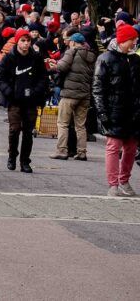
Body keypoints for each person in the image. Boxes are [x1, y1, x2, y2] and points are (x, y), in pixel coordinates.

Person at [93, 24, 140, 197]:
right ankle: (113, 183)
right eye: (132, 39)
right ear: (123, 40)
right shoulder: (105, 58)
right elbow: (98, 88)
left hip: (134, 112)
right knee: (113, 147)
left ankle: (124, 180)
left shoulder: (136, 60)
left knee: (131, 148)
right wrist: (102, 112)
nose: (135, 42)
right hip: (114, 110)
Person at [0, 28, 48, 173]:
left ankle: (25, 160)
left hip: (30, 100)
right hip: (14, 99)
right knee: (14, 129)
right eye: (23, 41)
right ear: (17, 41)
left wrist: (36, 91)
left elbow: (43, 78)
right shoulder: (9, 57)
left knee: (28, 131)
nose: (25, 44)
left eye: (28, 41)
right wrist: (8, 91)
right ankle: (12, 156)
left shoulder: (36, 58)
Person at [50, 32, 96, 161]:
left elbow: (62, 67)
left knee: (62, 123)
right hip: (85, 94)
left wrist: (54, 65)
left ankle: (62, 151)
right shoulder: (91, 55)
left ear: (74, 42)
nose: (69, 43)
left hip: (70, 93)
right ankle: (82, 152)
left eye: (70, 41)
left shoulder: (72, 51)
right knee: (80, 125)